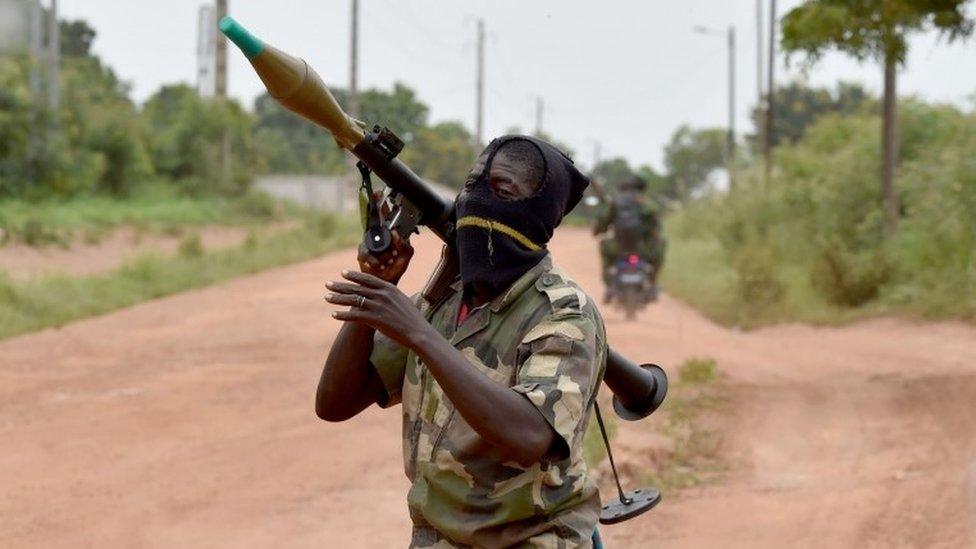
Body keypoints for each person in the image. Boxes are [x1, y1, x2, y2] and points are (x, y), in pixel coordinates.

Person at [317, 136, 608, 548]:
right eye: (472, 186)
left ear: (538, 214)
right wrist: (379, 289)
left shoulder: (563, 312)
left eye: (502, 191)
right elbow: (334, 403)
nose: (476, 202)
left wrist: (420, 335)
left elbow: (529, 436)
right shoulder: (444, 302)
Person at [592, 176, 665, 302]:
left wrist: (598, 231)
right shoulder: (646, 203)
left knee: (604, 248)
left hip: (618, 248)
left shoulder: (615, 203)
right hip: (644, 249)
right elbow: (656, 226)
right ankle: (653, 282)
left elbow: (604, 222)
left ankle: (609, 286)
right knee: (662, 245)